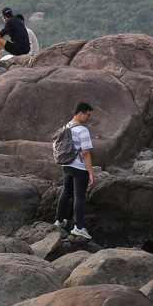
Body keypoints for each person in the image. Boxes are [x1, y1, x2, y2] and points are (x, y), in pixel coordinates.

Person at [54, 102, 95, 240]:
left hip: (66, 165)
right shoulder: (82, 130)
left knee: (66, 192)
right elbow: (86, 153)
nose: (89, 118)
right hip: (79, 168)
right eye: (88, 115)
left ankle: (58, 222)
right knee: (79, 196)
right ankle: (78, 228)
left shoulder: (65, 127)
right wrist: (91, 172)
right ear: (80, 113)